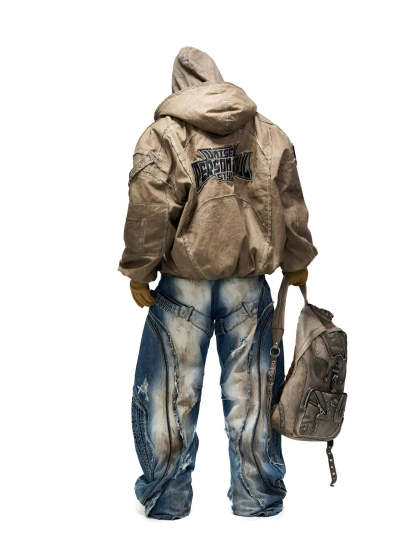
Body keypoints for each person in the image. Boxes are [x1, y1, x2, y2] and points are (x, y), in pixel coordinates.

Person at [118, 46, 317, 519]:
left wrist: (140, 270)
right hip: (247, 284)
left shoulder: (162, 137)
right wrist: (297, 259)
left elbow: (149, 210)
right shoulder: (266, 133)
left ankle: (167, 499)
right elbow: (290, 202)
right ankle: (257, 498)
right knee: (253, 395)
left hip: (182, 285)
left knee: (170, 396)